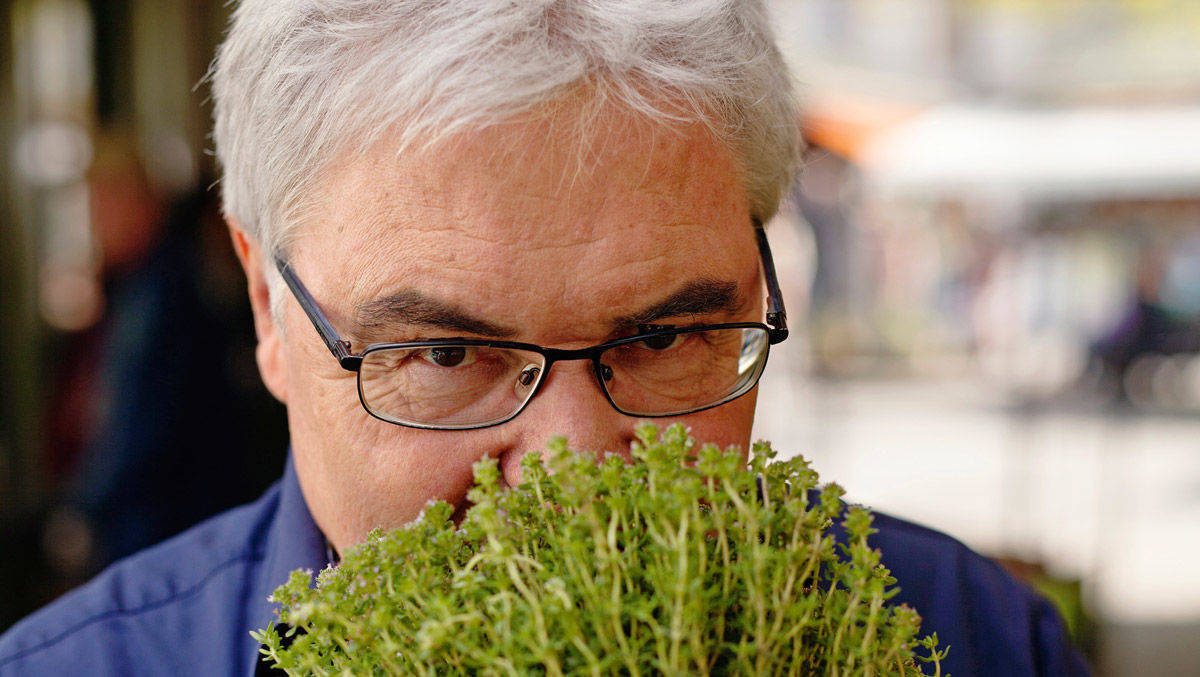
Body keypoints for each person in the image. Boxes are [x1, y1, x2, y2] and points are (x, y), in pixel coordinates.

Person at [0, 2, 1089, 675]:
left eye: (665, 335)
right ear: (267, 310)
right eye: (442, 353)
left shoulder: (968, 638)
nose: (573, 465)